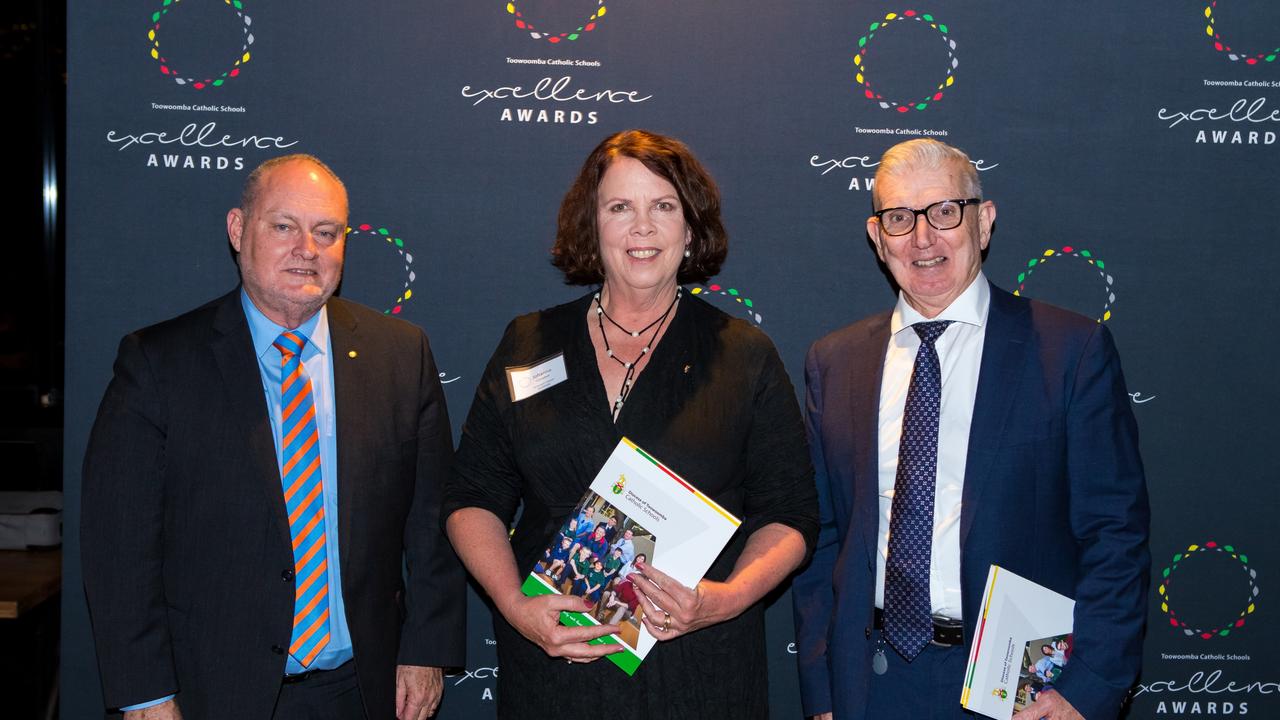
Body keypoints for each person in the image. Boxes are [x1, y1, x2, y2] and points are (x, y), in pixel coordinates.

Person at [443, 129, 818, 718]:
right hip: (554, 668)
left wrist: (724, 600)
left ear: (690, 229)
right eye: (620, 207)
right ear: (592, 226)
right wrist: (515, 606)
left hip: (697, 673)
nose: (642, 227)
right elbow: (472, 498)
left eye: (663, 206)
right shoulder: (529, 343)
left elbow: (790, 516)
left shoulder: (743, 355)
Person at [80, 154, 467, 720]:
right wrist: (145, 694)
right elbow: (119, 545)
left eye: (326, 232)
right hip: (209, 692)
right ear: (239, 229)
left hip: (363, 690)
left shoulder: (400, 355)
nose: (306, 248)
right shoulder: (159, 364)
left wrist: (426, 651)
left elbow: (433, 520)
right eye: (284, 225)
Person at [791, 138, 1149, 720]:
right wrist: (824, 689)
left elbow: (1114, 534)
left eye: (944, 212)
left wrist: (1087, 690)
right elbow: (822, 535)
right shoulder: (835, 362)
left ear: (983, 222)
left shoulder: (1070, 352)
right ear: (877, 238)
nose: (923, 238)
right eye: (900, 218)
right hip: (870, 684)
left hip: (1021, 689)